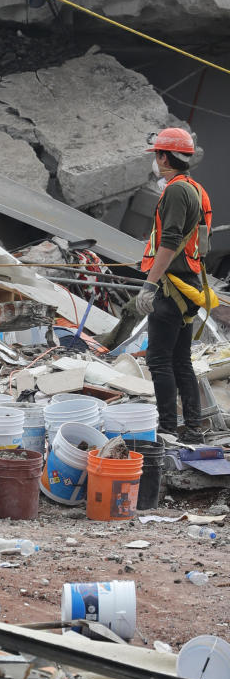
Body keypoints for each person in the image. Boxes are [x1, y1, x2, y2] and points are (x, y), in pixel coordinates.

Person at [134, 126, 212, 443]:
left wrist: (149, 286)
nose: (154, 161)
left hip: (170, 287)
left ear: (165, 157)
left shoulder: (176, 191)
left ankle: (167, 429)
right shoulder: (195, 188)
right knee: (180, 360)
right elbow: (202, 244)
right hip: (187, 285)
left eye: (156, 155)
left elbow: (169, 241)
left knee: (158, 360)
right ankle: (192, 429)